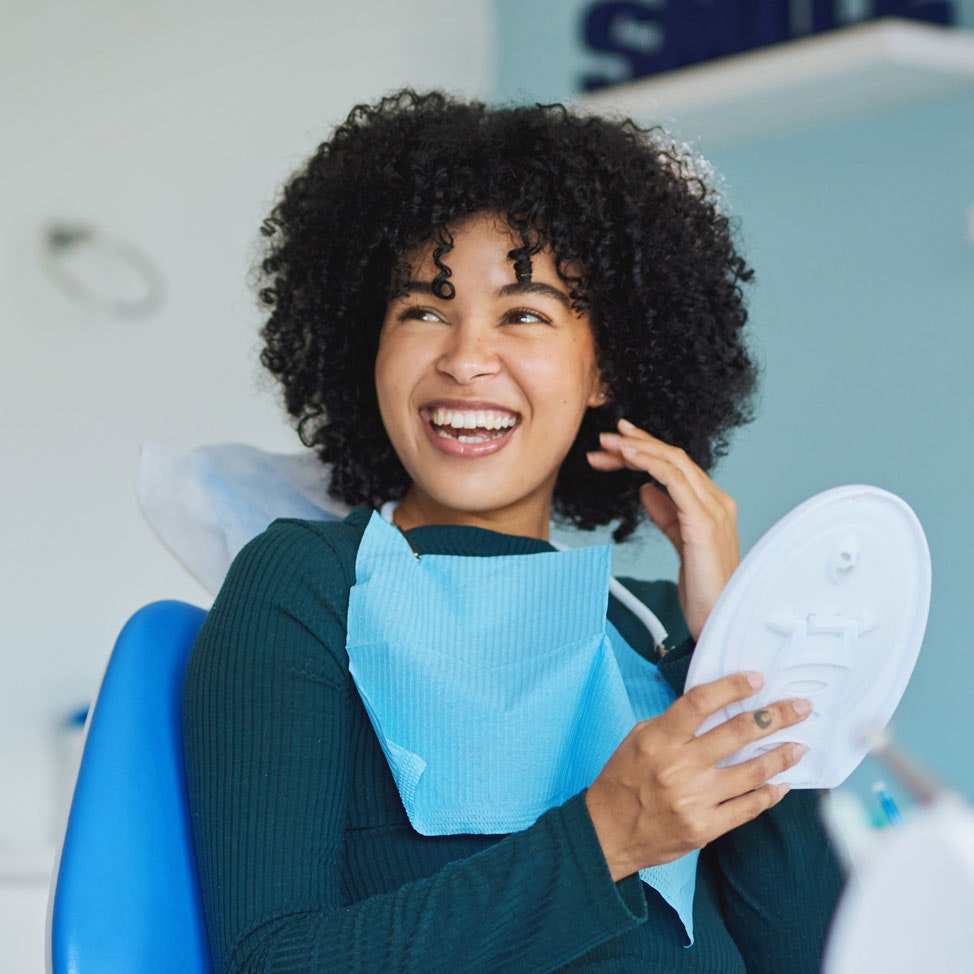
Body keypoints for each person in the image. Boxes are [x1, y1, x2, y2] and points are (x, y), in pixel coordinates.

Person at [183, 89, 844, 973]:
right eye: (424, 308)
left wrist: (730, 636)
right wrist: (606, 837)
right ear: (366, 345)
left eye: (524, 312)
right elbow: (274, 961)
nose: (463, 358)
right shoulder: (307, 587)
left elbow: (816, 956)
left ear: (605, 364)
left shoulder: (656, 630)